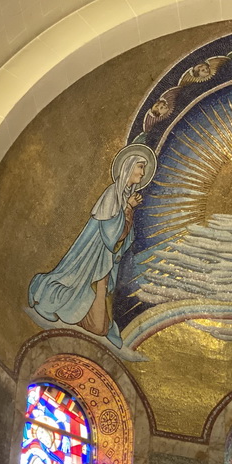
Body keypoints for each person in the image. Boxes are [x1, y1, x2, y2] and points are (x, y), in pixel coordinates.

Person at [28, 144, 155, 348]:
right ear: (128, 168)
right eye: (140, 167)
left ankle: (87, 320)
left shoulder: (123, 197)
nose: (142, 173)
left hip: (105, 258)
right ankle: (52, 300)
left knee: (100, 325)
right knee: (79, 282)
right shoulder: (112, 194)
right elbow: (112, 233)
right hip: (92, 254)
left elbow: (124, 238)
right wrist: (129, 209)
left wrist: (128, 210)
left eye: (143, 168)